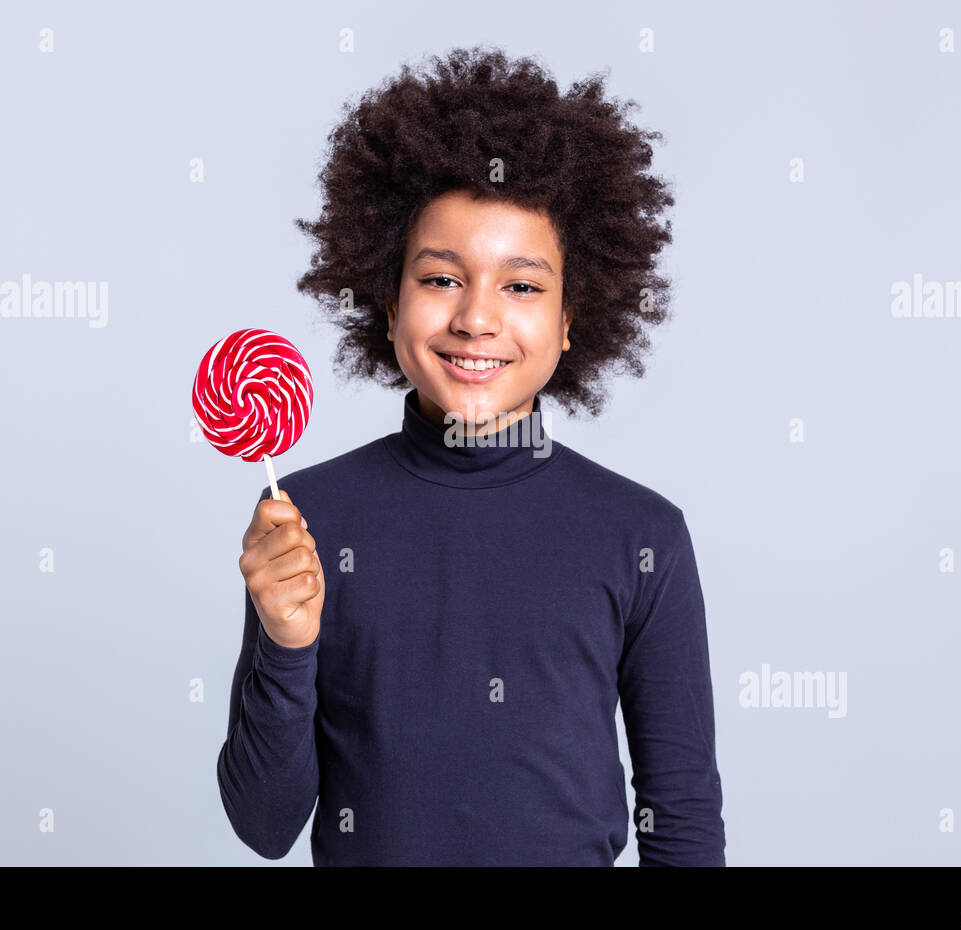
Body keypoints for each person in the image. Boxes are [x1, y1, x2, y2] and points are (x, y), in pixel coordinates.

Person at [217, 45, 725, 866]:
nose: (477, 320)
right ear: (388, 303)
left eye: (521, 286)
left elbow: (684, 812)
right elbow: (265, 824)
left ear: (569, 319)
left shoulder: (643, 535)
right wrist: (286, 643)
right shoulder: (306, 521)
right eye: (441, 279)